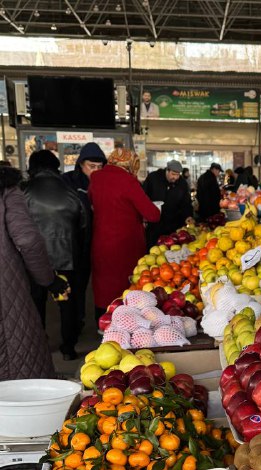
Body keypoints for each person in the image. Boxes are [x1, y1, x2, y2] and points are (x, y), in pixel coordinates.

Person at [22, 149, 87, 361]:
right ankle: (68, 348)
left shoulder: (25, 193)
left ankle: (39, 347)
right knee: (67, 304)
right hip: (66, 258)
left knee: (36, 303)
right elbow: (83, 225)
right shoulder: (71, 193)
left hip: (34, 260)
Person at [0, 163, 60, 379]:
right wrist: (47, 279)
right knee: (18, 367)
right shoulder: (5, 188)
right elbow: (27, 240)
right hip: (6, 294)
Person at [88, 147, 160, 323]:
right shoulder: (128, 181)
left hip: (100, 240)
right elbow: (153, 215)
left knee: (103, 283)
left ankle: (101, 321)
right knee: (124, 286)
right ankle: (122, 324)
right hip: (125, 244)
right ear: (130, 164)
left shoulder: (95, 179)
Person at [62, 142, 107, 333]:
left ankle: (102, 319)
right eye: (92, 166)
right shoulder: (68, 181)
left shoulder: (106, 182)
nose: (96, 171)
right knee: (76, 285)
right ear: (81, 164)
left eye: (99, 167)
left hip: (98, 239)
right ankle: (76, 320)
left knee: (98, 282)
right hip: (76, 243)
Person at [142, 159, 193, 247]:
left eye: (178, 175)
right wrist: (144, 216)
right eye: (173, 174)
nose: (175, 177)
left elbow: (186, 202)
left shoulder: (182, 183)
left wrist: (188, 215)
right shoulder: (153, 178)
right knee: (153, 249)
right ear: (167, 170)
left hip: (173, 225)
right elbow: (143, 197)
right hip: (155, 225)